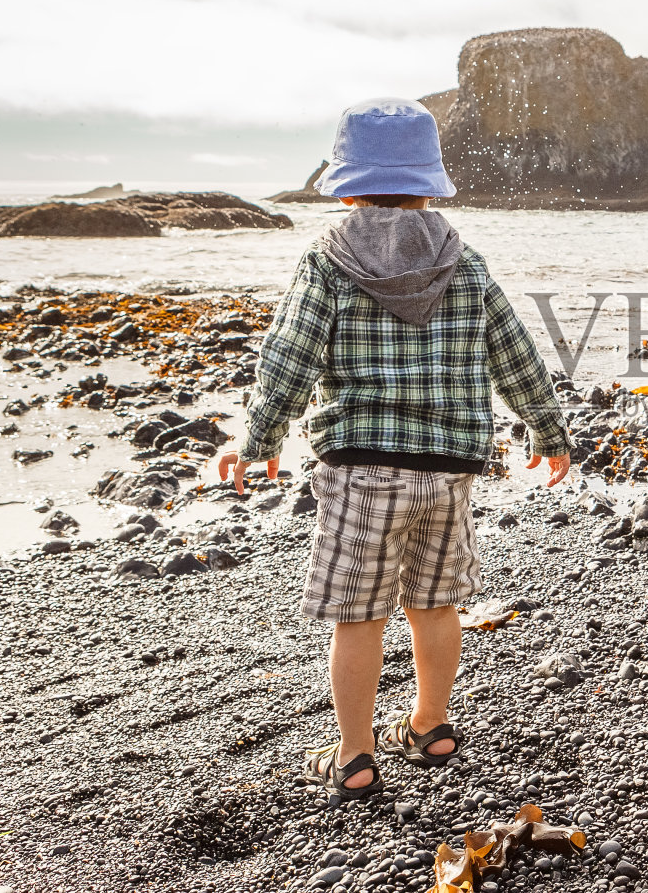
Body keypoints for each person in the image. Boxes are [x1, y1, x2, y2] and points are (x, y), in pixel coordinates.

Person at [216, 97, 571, 800]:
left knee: (361, 615)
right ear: (430, 184)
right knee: (435, 605)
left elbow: (289, 356)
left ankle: (354, 755)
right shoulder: (463, 262)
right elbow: (515, 351)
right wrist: (547, 427)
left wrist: (258, 436)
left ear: (346, 184)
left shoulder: (327, 260)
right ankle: (431, 725)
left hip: (363, 470)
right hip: (449, 472)